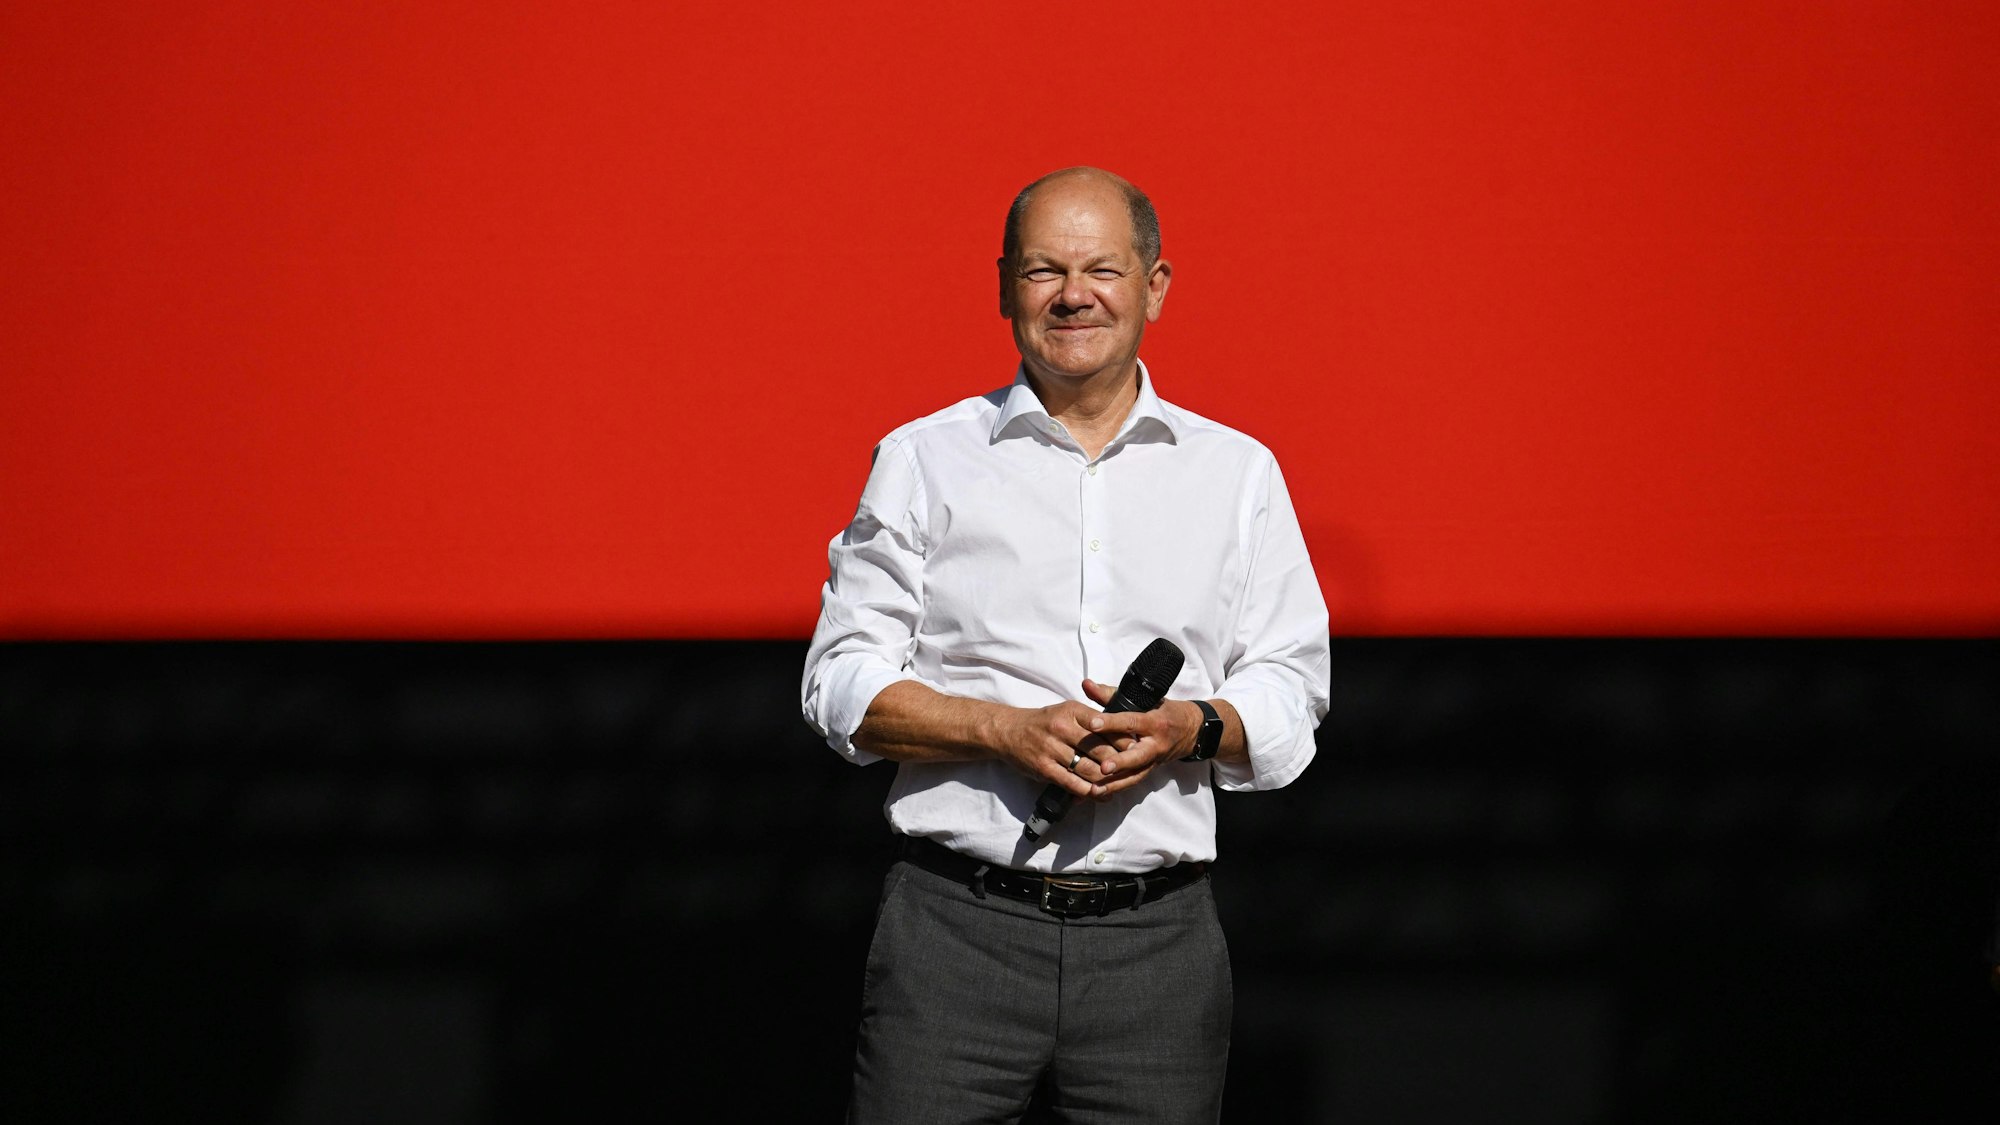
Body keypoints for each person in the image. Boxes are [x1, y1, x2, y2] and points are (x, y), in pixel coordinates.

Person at [801, 166, 1330, 1123]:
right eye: (1044, 270)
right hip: (953, 935)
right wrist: (999, 729)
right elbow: (840, 681)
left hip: (1155, 946)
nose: (1073, 294)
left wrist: (1188, 728)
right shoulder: (924, 459)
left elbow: (1293, 692)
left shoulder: (1237, 474)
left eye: (1101, 269)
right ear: (1005, 285)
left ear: (1156, 286)